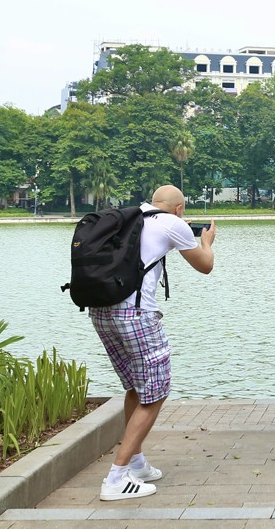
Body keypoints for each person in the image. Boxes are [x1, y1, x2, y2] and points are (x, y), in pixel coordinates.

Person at [90, 185, 216, 501]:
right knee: (155, 393)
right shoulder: (172, 223)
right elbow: (205, 265)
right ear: (178, 209)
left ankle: (136, 463)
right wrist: (205, 242)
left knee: (135, 387)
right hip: (136, 315)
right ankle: (116, 479)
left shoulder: (129, 218)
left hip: (101, 311)